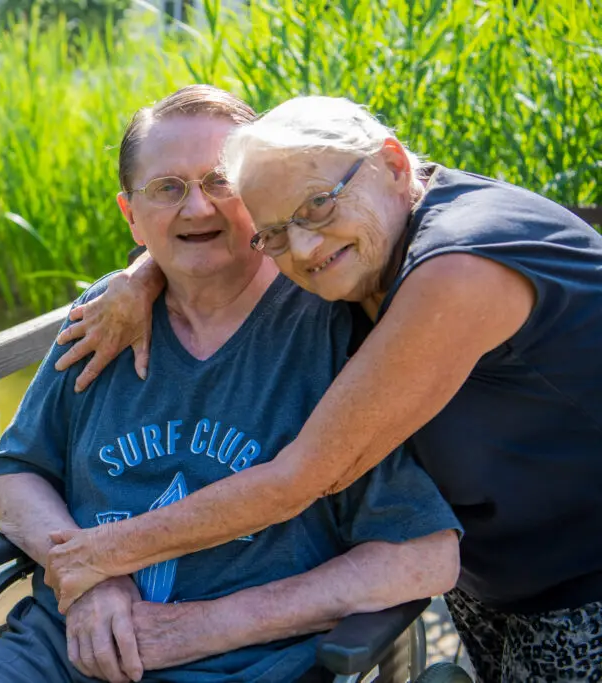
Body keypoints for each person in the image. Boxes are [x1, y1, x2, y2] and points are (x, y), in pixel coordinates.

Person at [46, 94, 602, 682]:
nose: (306, 248)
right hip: (498, 573)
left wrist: (96, 558)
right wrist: (144, 275)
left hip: (585, 574)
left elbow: (302, 480)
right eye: (277, 233)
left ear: (392, 164)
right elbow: (225, 236)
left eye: (319, 205)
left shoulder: (458, 265)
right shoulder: (373, 239)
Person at [0, 86, 461, 683]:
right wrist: (90, 580)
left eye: (219, 182)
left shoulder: (330, 323)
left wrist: (202, 626)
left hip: (245, 665)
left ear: (259, 197)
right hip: (62, 651)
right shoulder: (102, 319)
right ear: (131, 216)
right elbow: (16, 472)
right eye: (167, 189)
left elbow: (421, 556)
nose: (196, 210)